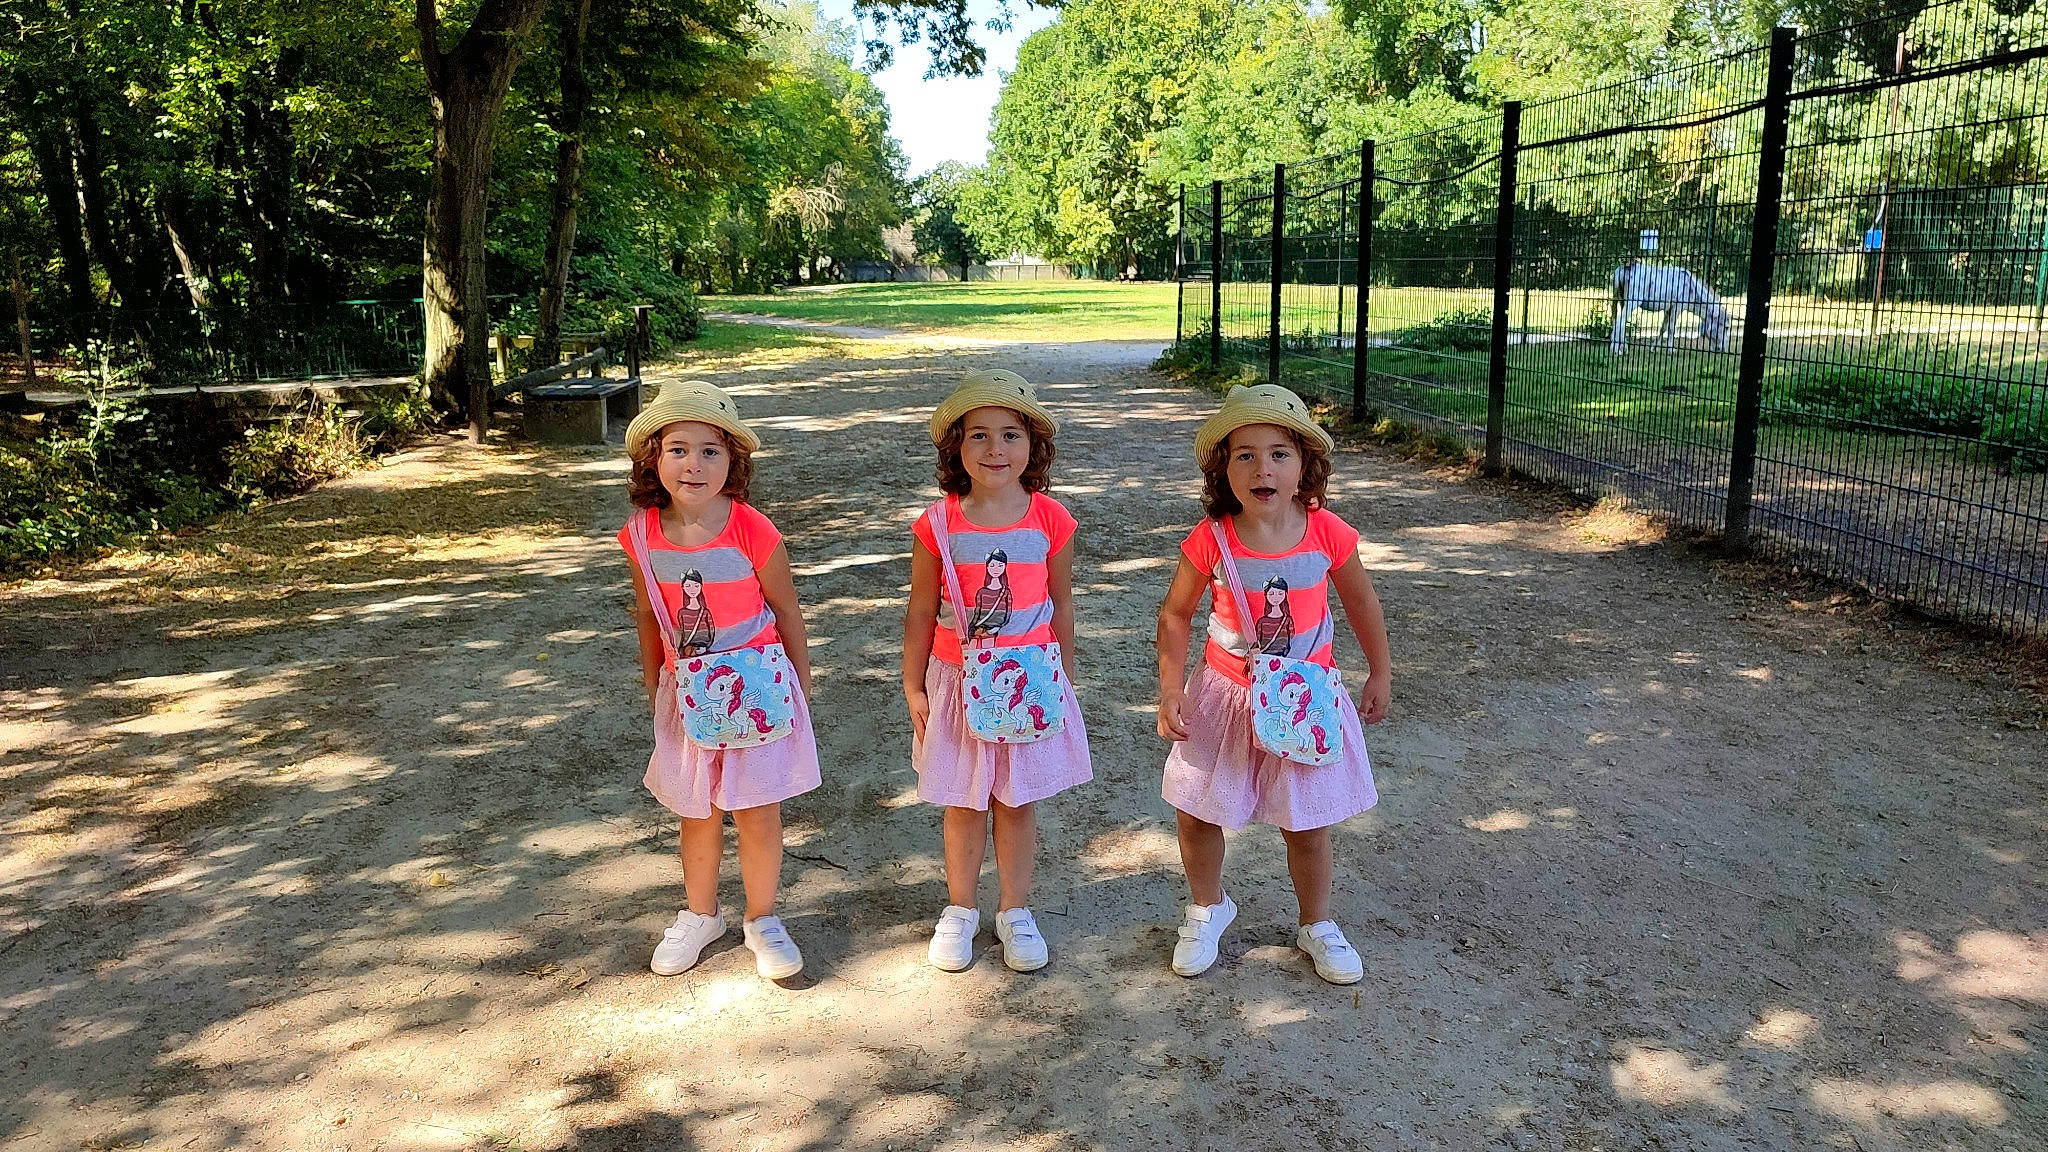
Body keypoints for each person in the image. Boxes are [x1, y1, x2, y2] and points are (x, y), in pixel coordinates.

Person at [1153, 383, 1392, 984]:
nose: (1264, 468)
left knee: (1306, 819)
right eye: (1246, 455)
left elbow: (1362, 603)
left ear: (1304, 465)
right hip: (1224, 696)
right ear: (1223, 470)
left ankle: (1317, 922)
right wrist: (1172, 687)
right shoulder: (1211, 539)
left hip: (1303, 698)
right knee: (1198, 807)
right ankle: (1207, 907)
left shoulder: (1327, 533)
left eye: (1280, 453)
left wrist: (1380, 670)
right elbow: (1176, 614)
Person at [619, 380, 821, 982]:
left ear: (732, 461)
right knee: (697, 809)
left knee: (757, 810)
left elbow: (785, 611)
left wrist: (800, 685)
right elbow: (649, 615)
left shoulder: (752, 529)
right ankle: (701, 914)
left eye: (711, 451)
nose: (694, 464)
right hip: (687, 694)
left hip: (756, 689)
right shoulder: (640, 536)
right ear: (654, 458)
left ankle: (763, 918)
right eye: (679, 449)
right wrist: (655, 686)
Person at [904, 369, 1093, 974]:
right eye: (979, 436)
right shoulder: (938, 524)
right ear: (956, 448)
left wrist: (1063, 676)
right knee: (964, 800)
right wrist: (912, 683)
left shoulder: (1051, 519)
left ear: (1033, 445)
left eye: (1011, 435)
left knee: (1015, 801)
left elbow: (1061, 605)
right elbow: (921, 608)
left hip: (1029, 681)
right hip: (956, 682)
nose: (995, 449)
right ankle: (960, 908)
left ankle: (1015, 910)